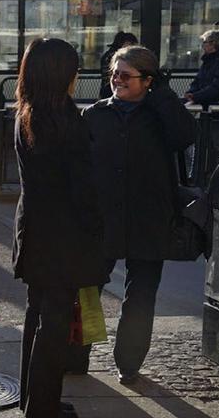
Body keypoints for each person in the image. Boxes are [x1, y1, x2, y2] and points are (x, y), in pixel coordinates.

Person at [83, 45, 196, 385]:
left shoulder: (160, 114)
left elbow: (186, 134)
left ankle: (128, 362)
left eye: (126, 75)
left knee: (141, 294)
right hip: (101, 218)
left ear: (148, 81)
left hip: (149, 218)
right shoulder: (95, 114)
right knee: (88, 288)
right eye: (114, 73)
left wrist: (161, 93)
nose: (116, 80)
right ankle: (78, 353)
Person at [13, 38, 108, 418]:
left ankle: (31, 398)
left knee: (37, 316)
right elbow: (82, 190)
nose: (78, 75)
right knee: (52, 323)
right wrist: (96, 231)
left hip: (35, 232)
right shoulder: (65, 120)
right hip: (64, 240)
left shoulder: (29, 113)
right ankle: (43, 406)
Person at [185, 29, 219, 107]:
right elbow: (198, 80)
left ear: (213, 43)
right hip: (208, 102)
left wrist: (196, 96)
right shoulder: (208, 59)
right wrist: (191, 92)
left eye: (204, 42)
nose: (202, 46)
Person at [98, 32, 139, 100]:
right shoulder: (119, 57)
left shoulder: (107, 55)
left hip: (106, 91)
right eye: (131, 44)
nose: (133, 48)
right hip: (115, 92)